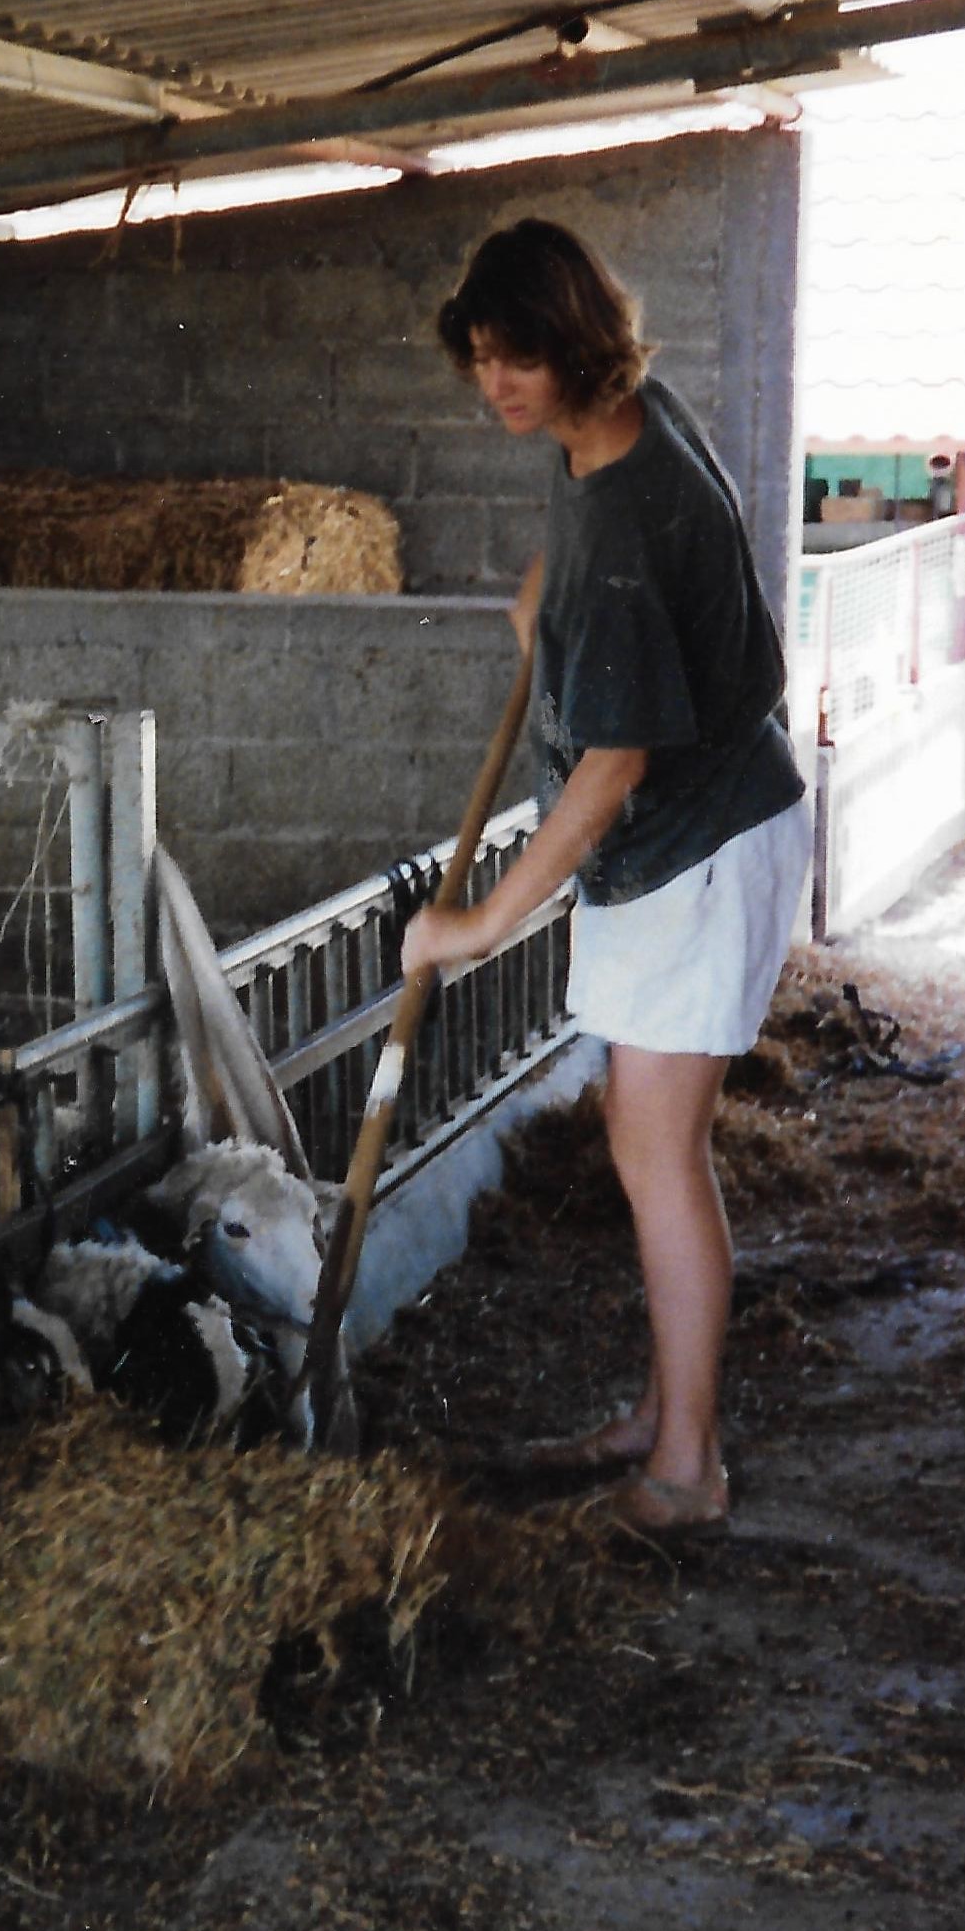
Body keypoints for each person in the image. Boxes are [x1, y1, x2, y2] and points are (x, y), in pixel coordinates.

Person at [399, 218, 809, 1538]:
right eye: (481, 361)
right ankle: (664, 1414)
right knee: (654, 1153)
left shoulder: (625, 512)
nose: (494, 387)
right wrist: (549, 607)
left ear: (571, 345)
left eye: (516, 359)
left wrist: (474, 929)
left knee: (657, 1153)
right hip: (704, 829)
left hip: (690, 848)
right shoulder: (623, 420)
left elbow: (610, 770)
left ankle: (686, 1471)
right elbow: (600, 559)